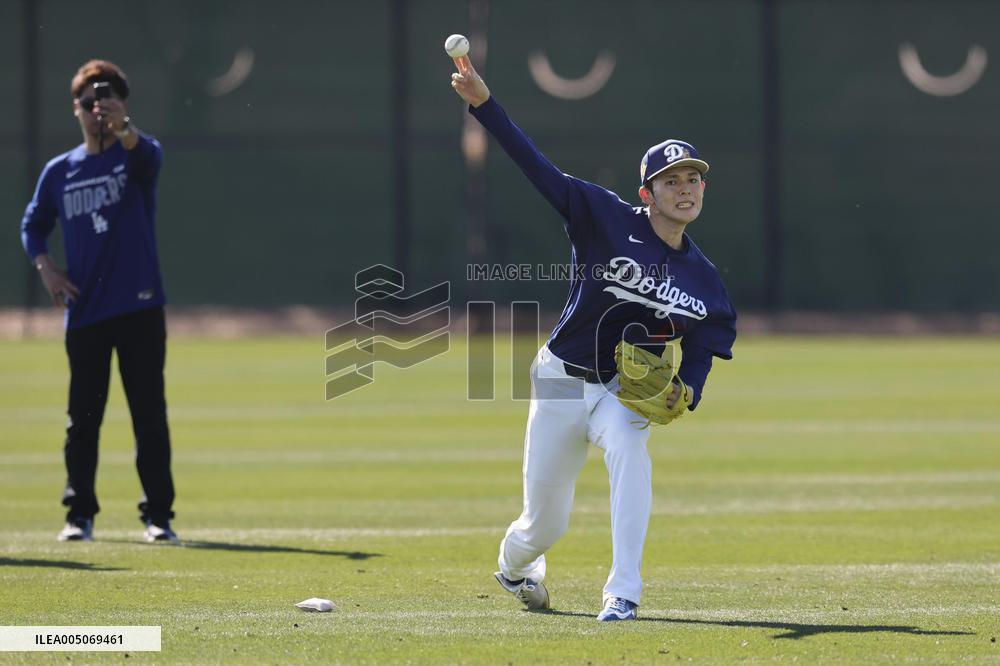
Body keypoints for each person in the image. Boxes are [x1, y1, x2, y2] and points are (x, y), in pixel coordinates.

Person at [450, 57, 737, 620]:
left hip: (620, 391)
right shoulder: (603, 217)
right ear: (647, 193)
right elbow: (537, 168)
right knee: (543, 524)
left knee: (630, 450)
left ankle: (623, 592)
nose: (684, 189)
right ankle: (515, 568)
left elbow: (710, 335)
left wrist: (689, 386)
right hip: (559, 380)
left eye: (692, 179)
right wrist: (485, 106)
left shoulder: (703, 278)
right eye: (671, 181)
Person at [20, 59, 178, 543]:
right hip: (86, 312)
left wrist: (124, 128)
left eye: (106, 99)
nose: (97, 109)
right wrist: (47, 268)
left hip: (139, 307)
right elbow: (32, 226)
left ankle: (158, 517)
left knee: (148, 416)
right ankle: (79, 515)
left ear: (123, 104)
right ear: (76, 107)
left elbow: (148, 156)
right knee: (83, 422)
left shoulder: (135, 155)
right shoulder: (60, 171)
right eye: (88, 101)